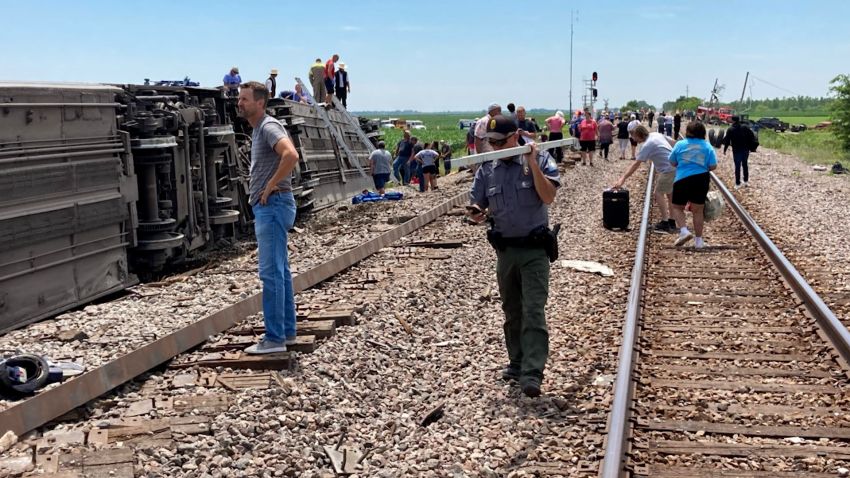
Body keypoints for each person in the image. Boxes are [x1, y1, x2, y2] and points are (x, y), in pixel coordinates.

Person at [467, 115, 561, 398]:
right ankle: (517, 362)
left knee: (533, 309)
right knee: (512, 311)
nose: (495, 148)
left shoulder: (540, 160)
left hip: (533, 250)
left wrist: (532, 163)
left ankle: (533, 371)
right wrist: (475, 213)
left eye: (500, 142)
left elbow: (548, 196)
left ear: (516, 135)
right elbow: (476, 204)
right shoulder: (487, 170)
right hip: (505, 251)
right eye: (491, 143)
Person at [237, 81, 300, 354]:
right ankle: (286, 333)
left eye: (245, 99)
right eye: (239, 99)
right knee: (280, 271)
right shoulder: (259, 129)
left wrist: (271, 184)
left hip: (273, 205)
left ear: (260, 103)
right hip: (274, 206)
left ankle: (274, 339)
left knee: (271, 274)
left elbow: (291, 155)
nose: (239, 103)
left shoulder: (267, 126)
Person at [612, 125, 677, 233]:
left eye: (633, 136)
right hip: (675, 167)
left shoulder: (647, 145)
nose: (632, 139)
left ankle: (665, 222)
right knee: (670, 196)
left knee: (658, 193)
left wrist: (623, 178)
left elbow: (636, 164)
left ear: (639, 135)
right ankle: (672, 221)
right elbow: (674, 142)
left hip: (668, 170)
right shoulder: (656, 135)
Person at [669, 121, 718, 249]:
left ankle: (684, 231)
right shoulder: (707, 146)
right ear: (703, 133)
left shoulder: (680, 144)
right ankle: (699, 242)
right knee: (698, 211)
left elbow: (672, 162)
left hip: (682, 179)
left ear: (688, 132)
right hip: (701, 179)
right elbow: (713, 166)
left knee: (677, 207)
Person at [722, 115, 756, 189]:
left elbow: (727, 141)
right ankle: (746, 181)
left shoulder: (730, 129)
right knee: (745, 165)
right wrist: (751, 147)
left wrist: (724, 150)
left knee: (737, 167)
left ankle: (737, 183)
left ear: (733, 120)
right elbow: (752, 136)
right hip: (745, 150)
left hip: (737, 150)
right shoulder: (745, 127)